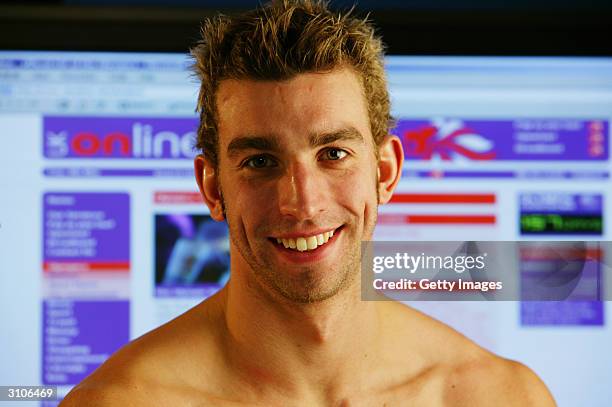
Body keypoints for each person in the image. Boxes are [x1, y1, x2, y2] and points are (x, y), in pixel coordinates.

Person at [61, 1, 556, 405]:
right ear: (212, 188)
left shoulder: (497, 396)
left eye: (333, 154)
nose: (302, 202)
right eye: (259, 161)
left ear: (385, 172)